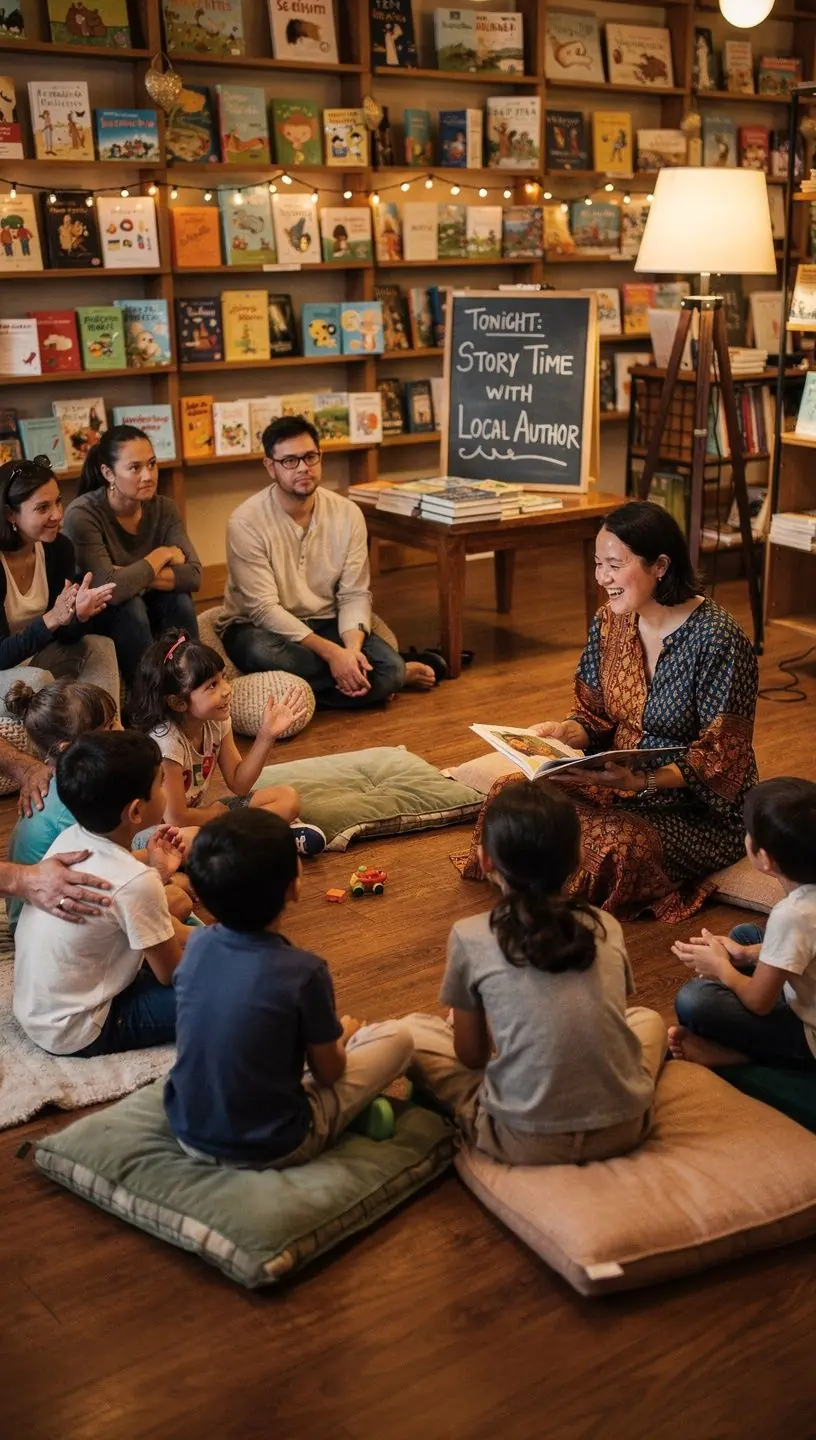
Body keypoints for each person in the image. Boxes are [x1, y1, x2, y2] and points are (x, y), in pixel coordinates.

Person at [455, 502, 759, 922]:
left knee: (616, 846)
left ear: (661, 566)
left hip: (698, 806)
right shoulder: (610, 622)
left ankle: (538, 889)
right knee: (509, 797)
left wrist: (639, 779)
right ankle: (541, 887)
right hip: (615, 782)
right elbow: (595, 717)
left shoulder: (718, 641)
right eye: (598, 564)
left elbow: (724, 760)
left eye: (614, 565)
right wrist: (562, 732)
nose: (602, 578)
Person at [404, 781, 666, 1165]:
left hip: (521, 1139)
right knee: (648, 1020)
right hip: (625, 1127)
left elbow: (473, 1058)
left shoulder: (470, 935)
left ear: (486, 860)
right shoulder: (606, 924)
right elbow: (605, 1012)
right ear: (577, 857)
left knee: (409, 1033)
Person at [163, 809, 414, 1167]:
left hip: (187, 1129)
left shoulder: (197, 945)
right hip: (272, 1143)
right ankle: (338, 1118)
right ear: (294, 886)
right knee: (399, 1039)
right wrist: (344, 1035)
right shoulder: (304, 972)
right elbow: (330, 1073)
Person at [216, 415, 437, 708]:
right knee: (261, 651)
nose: (304, 468)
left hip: (326, 620)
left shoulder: (348, 514)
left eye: (310, 457)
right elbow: (263, 609)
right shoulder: (246, 522)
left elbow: (354, 594)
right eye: (290, 461)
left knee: (391, 669)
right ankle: (364, 684)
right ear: (270, 466)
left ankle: (313, 692)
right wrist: (333, 656)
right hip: (258, 627)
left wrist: (351, 651)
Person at [13, 731, 190, 1057]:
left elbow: (117, 887)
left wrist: (157, 868)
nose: (166, 790)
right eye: (161, 783)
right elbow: (172, 974)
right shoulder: (137, 882)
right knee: (220, 989)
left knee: (173, 916)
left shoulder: (70, 837)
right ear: (136, 812)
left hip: (37, 1010)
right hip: (78, 1028)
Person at [5, 677, 193, 932]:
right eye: (109, 725)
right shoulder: (73, 808)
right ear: (72, 748)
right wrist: (159, 876)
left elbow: (109, 861)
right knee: (179, 899)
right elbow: (104, 882)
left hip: (85, 883)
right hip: (46, 919)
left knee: (186, 851)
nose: (121, 729)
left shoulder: (80, 784)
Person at [127, 629, 326, 856]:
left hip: (202, 818)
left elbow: (239, 783)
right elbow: (177, 818)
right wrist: (218, 814)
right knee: (189, 840)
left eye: (223, 678)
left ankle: (248, 842)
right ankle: (269, 838)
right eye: (212, 685)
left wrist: (266, 736)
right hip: (160, 833)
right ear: (178, 703)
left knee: (287, 799)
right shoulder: (166, 744)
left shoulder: (215, 722)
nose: (226, 689)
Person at [669, 777, 816, 1072]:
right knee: (745, 936)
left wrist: (720, 967)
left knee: (694, 1000)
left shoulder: (793, 914)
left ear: (764, 859)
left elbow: (759, 1003)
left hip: (809, 1037)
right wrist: (744, 954)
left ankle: (748, 1056)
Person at [63, 426, 201, 685]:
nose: (148, 476)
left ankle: (193, 685)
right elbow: (111, 591)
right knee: (130, 605)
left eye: (152, 464)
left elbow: (193, 575)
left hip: (153, 605)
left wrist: (125, 576)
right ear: (108, 473)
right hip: (100, 616)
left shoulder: (164, 508)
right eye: (135, 468)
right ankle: (148, 699)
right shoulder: (82, 514)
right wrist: (162, 554)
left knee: (179, 599)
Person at [0, 456, 118, 713]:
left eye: (58, 502)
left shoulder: (57, 548)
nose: (57, 514)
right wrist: (51, 619)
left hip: (35, 659)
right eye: (42, 508)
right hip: (5, 669)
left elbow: (64, 635)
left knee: (100, 646)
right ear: (11, 514)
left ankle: (110, 732)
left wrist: (78, 616)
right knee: (36, 680)